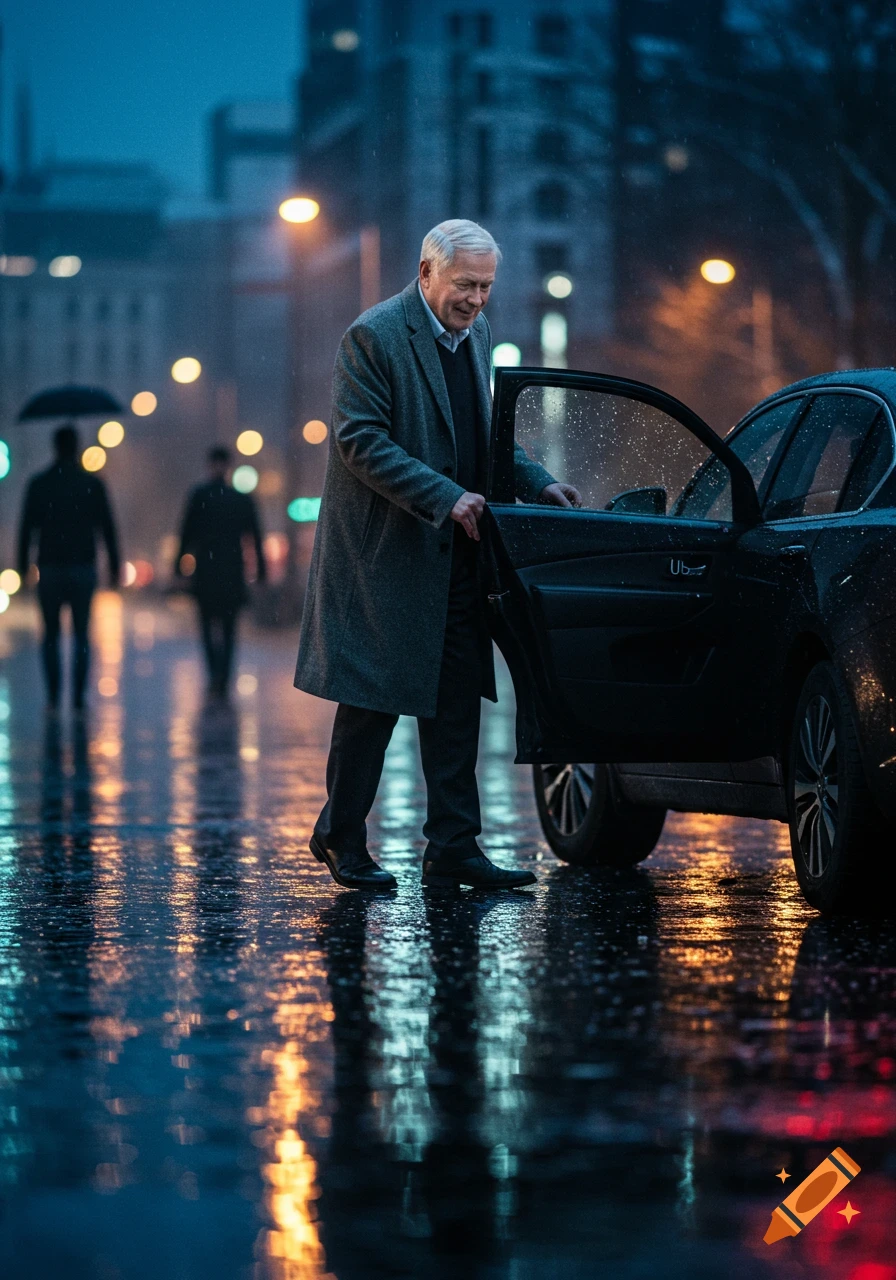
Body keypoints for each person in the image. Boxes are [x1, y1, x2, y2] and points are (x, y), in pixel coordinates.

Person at [295, 218, 582, 892]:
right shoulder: (373, 335)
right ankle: (340, 836)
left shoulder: (475, 336)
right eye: (465, 285)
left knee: (457, 704)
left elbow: (480, 435)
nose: (477, 300)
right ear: (426, 273)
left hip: (454, 555)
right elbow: (359, 441)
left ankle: (454, 844)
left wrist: (538, 479)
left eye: (485, 287)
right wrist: (445, 494)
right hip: (385, 559)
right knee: (372, 705)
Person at [17, 423, 121, 711]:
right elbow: (107, 527)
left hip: (50, 567)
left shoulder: (39, 484)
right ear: (76, 447)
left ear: (54, 446)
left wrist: (22, 566)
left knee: (50, 634)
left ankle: (53, 696)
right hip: (82, 567)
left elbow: (27, 528)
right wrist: (114, 567)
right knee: (81, 634)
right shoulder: (92, 484)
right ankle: (77, 697)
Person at [176, 446, 267, 698]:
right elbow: (255, 536)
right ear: (229, 466)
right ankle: (223, 677)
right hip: (231, 572)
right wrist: (261, 571)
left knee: (208, 626)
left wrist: (179, 568)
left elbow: (186, 535)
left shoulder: (199, 496)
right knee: (228, 628)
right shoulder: (240, 499)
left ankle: (215, 674)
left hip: (206, 571)